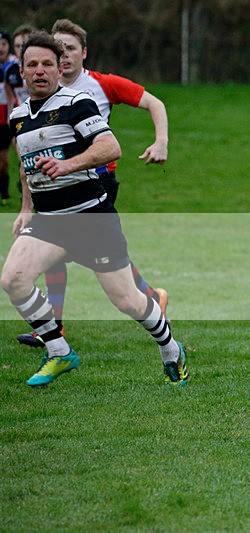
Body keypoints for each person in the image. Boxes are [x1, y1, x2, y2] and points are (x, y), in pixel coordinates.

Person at [2, 31, 188, 387]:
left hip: (91, 218)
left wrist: (68, 165)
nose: (40, 71)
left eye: (47, 64)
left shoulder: (77, 103)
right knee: (13, 279)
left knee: (128, 302)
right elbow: (27, 166)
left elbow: (110, 147)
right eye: (32, 65)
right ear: (22, 72)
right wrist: (26, 207)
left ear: (59, 69)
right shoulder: (19, 116)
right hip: (48, 220)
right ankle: (59, 351)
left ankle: (170, 347)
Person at [0, 29, 13, 205]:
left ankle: (5, 189)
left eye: (3, 44)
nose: (0, 48)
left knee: (3, 160)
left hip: (8, 117)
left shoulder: (15, 66)